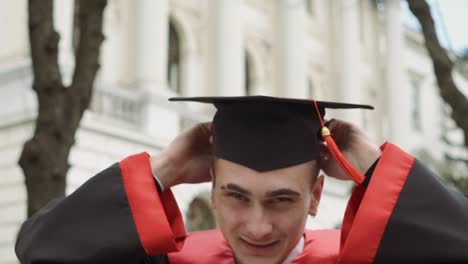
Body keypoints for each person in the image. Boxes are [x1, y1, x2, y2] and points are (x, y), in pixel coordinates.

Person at [15, 96, 468, 264]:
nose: (256, 227)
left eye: (281, 200)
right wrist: (162, 169)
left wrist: (373, 165)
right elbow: (43, 249)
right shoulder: (174, 263)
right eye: (235, 195)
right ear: (210, 190)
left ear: (315, 196)